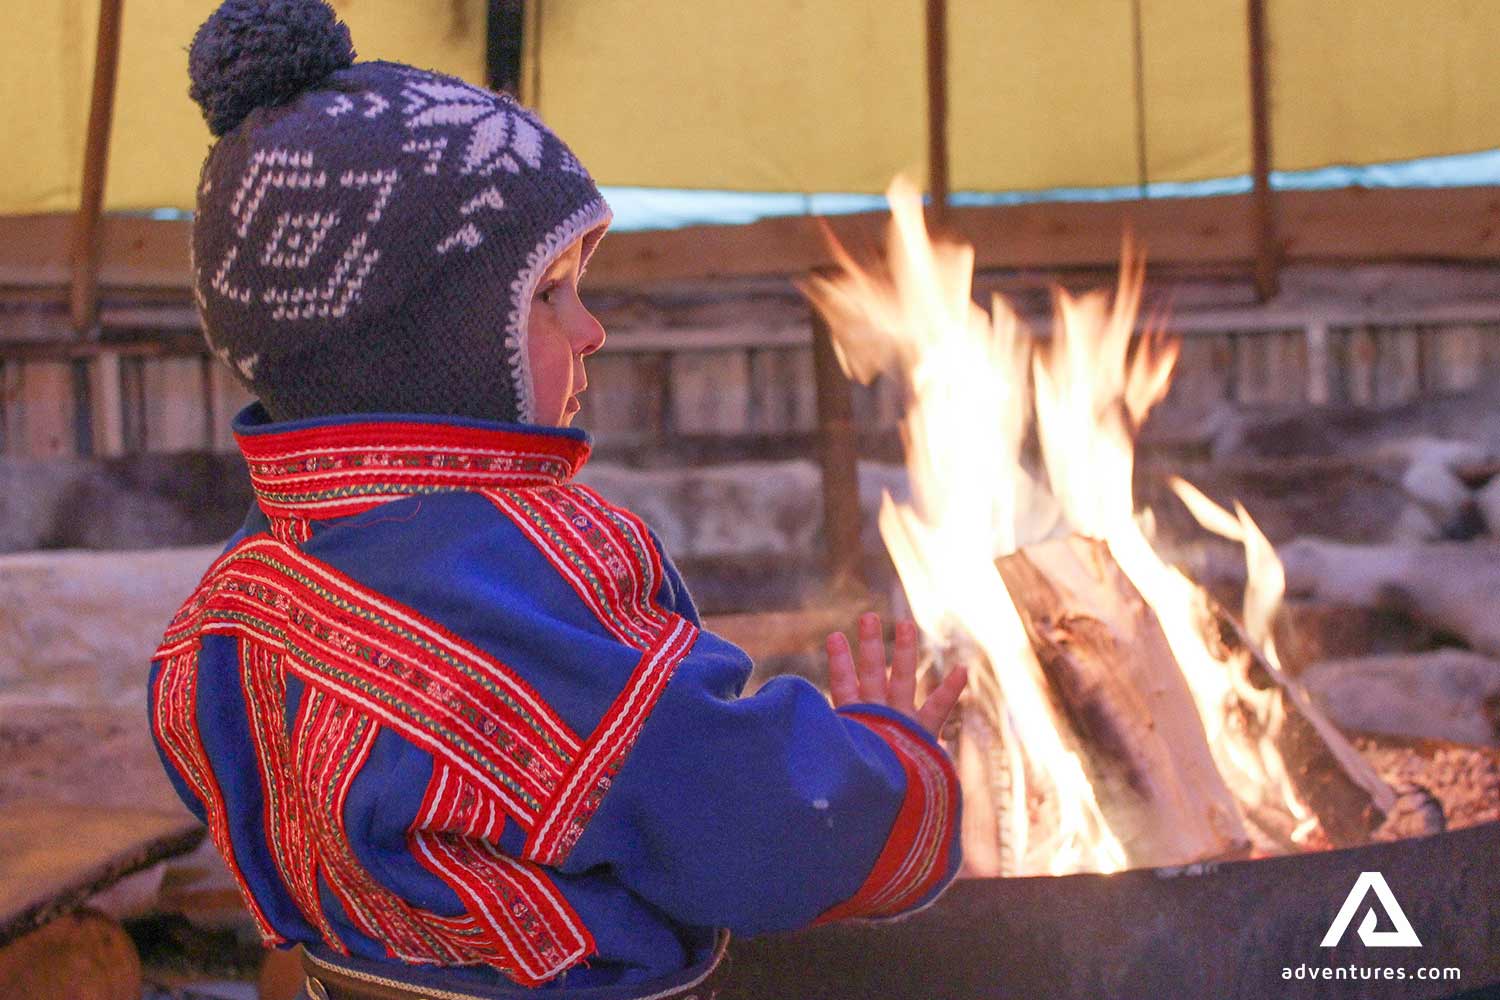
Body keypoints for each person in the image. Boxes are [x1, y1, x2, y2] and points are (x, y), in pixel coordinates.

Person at [148, 3, 967, 998]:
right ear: (426, 341)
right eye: (549, 295)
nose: (593, 331)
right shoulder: (527, 583)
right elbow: (755, 826)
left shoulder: (235, 599)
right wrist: (888, 759)